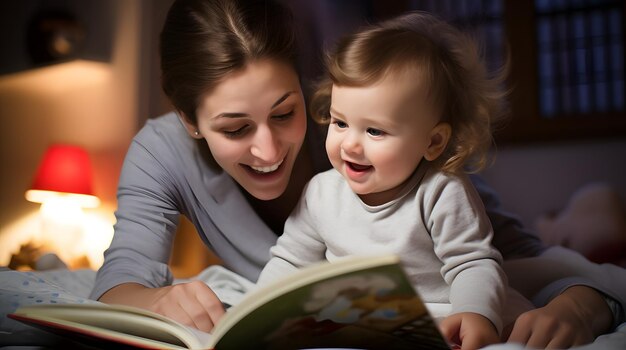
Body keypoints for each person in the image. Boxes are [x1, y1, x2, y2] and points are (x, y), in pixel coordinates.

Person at [89, 0, 624, 348]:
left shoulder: (374, 126)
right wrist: (158, 299)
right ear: (190, 121)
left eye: (286, 112)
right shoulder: (163, 152)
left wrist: (583, 303)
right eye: (235, 128)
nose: (270, 149)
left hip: (452, 281)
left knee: (583, 236)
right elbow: (120, 282)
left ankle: (578, 215)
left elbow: (509, 258)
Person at [257, 11, 528, 349]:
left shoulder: (441, 192)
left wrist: (476, 314)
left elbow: (473, 264)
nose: (350, 144)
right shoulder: (321, 193)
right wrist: (255, 314)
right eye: (340, 123)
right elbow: (290, 261)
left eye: (375, 130)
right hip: (355, 324)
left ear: (432, 143)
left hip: (439, 319)